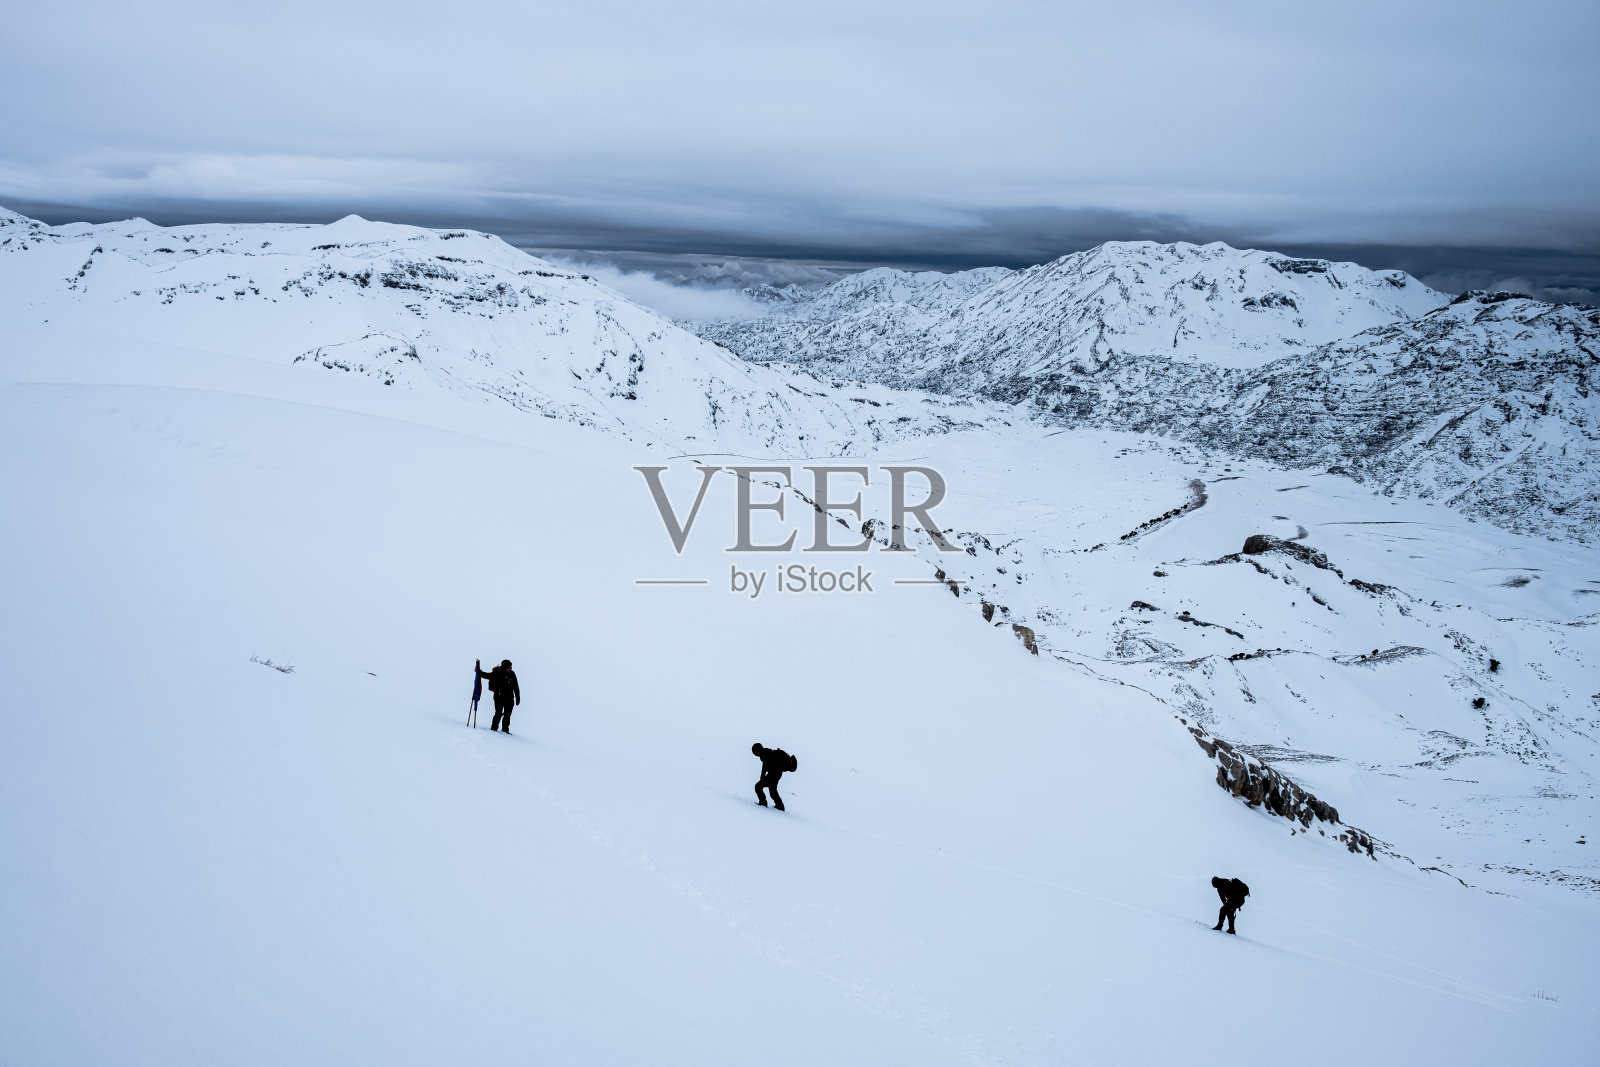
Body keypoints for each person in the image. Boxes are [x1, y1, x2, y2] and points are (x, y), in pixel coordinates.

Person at [751, 742, 797, 811]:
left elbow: (765, 765)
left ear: (758, 750)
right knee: (772, 791)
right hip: (777, 774)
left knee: (758, 786)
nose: (755, 754)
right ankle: (780, 806)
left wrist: (762, 775)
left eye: (754, 752)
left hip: (773, 774)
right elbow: (766, 765)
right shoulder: (768, 752)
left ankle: (763, 803)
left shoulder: (764, 753)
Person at [479, 659, 520, 734]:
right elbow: (488, 675)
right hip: (499, 697)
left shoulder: (512, 674)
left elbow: (516, 686)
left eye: (511, 667)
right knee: (498, 713)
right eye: (509, 667)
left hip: (510, 698)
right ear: (505, 667)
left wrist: (518, 698)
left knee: (507, 715)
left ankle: (505, 730)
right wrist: (479, 672)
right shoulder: (497, 672)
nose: (511, 668)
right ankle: (494, 728)